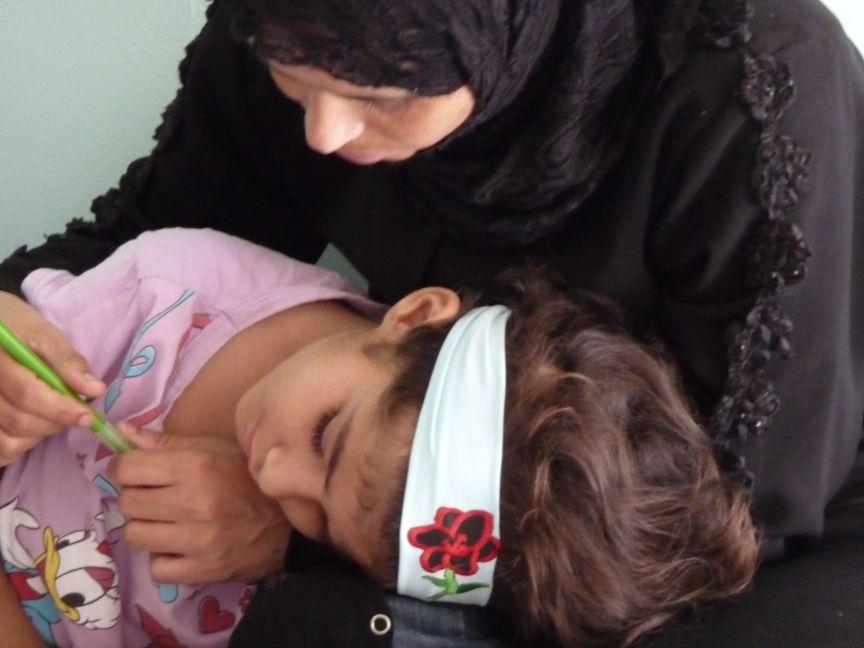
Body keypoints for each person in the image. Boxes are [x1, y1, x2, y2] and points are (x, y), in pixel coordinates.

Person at [0, 0, 861, 645]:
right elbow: (140, 239)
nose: (324, 132)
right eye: (297, 80)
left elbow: (754, 516)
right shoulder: (298, 25)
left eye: (378, 93)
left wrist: (303, 536)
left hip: (702, 544)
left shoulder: (749, 87)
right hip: (396, 476)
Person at [0, 227, 756, 647]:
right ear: (415, 315)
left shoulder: (300, 604)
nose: (274, 480)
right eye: (326, 434)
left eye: (322, 525)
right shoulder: (173, 296)